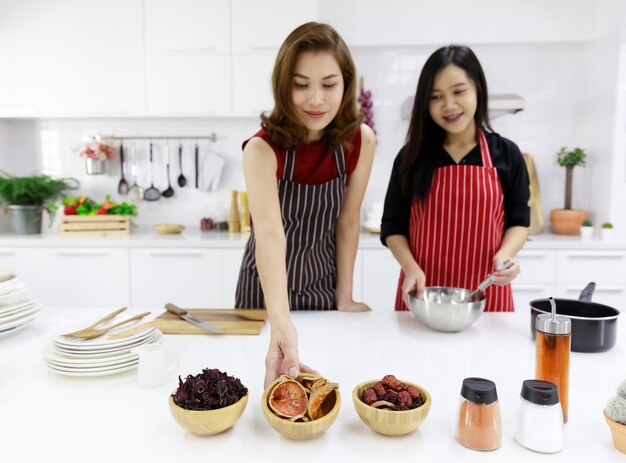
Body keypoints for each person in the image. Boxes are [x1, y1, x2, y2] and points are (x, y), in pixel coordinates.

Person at [235, 22, 376, 386]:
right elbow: (269, 233)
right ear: (284, 85)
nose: (316, 99)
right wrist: (279, 321)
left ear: (345, 83)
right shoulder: (261, 149)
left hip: (321, 285)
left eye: (328, 84)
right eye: (301, 85)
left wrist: (344, 297)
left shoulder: (361, 141)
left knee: (326, 382)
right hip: (262, 292)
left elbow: (347, 221)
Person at [381, 45, 529, 312]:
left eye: (459, 91)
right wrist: (410, 267)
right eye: (435, 97)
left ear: (477, 89)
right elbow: (393, 227)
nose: (448, 106)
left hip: (487, 297)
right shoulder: (410, 157)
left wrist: (506, 256)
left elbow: (519, 222)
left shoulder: (507, 154)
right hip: (422, 296)